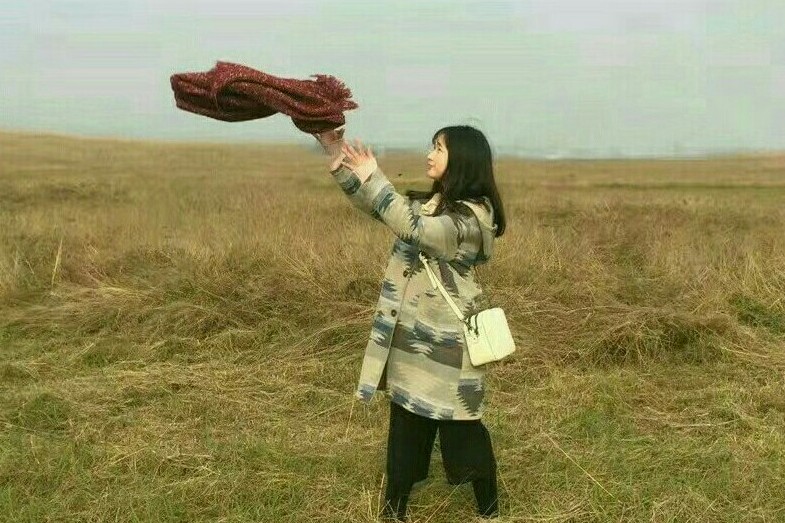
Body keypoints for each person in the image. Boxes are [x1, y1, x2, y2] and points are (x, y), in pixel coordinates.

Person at [313, 124, 507, 521]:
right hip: (412, 341)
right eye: (432, 146)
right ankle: (394, 507)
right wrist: (337, 156)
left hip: (449, 350)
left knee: (462, 430)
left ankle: (489, 507)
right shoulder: (436, 205)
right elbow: (380, 208)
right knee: (405, 426)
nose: (430, 154)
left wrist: (375, 175)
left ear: (463, 159)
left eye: (439, 148)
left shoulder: (471, 221)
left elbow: (413, 228)